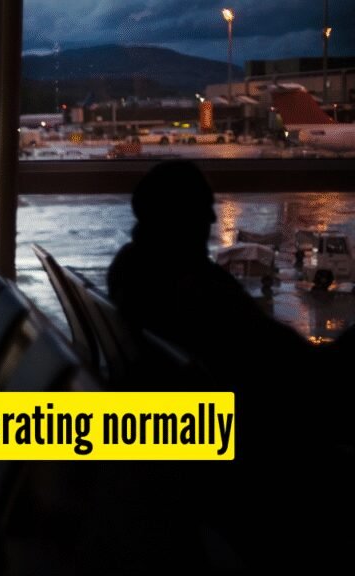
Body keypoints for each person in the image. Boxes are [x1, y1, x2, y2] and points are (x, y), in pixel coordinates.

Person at [106, 160, 353, 569]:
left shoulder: (135, 270)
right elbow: (274, 357)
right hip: (262, 433)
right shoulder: (192, 287)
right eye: (202, 207)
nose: (211, 217)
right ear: (177, 216)